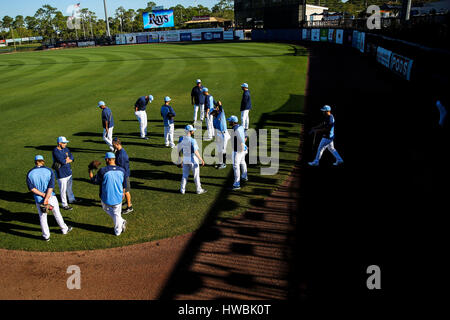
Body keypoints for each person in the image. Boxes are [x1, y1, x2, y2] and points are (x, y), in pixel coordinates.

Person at [26, 155, 73, 241]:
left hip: (39, 199)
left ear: (35, 162)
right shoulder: (49, 171)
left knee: (42, 217)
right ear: (43, 161)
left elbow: (32, 189)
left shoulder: (30, 173)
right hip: (51, 197)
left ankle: (46, 236)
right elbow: (50, 187)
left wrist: (43, 196)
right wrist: (47, 197)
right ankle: (64, 229)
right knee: (57, 213)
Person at [89, 152, 127, 236]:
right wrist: (123, 193)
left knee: (110, 211)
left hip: (106, 197)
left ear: (107, 159)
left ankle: (118, 231)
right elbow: (124, 184)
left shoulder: (103, 171)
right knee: (116, 213)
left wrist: (90, 170)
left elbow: (93, 181)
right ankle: (121, 221)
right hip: (118, 196)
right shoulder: (122, 170)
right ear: (114, 159)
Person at [52, 136, 81, 211]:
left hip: (68, 171)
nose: (65, 144)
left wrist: (68, 159)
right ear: (59, 143)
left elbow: (72, 157)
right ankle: (65, 204)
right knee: (63, 190)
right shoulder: (55, 151)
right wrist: (67, 159)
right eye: (64, 143)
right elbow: (62, 161)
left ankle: (72, 199)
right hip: (61, 174)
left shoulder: (66, 149)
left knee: (69, 188)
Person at [177, 125, 207, 195]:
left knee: (184, 175)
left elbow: (178, 149)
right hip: (193, 159)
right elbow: (196, 152)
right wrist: (201, 159)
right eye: (193, 130)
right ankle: (199, 190)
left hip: (185, 159)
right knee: (196, 176)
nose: (193, 131)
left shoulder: (181, 139)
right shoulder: (193, 140)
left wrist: (179, 159)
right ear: (190, 132)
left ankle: (182, 190)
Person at [112, 137, 133, 214]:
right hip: (122, 173)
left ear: (117, 144)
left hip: (124, 175)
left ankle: (129, 207)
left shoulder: (122, 156)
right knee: (124, 190)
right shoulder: (119, 151)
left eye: (113, 145)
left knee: (126, 191)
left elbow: (122, 169)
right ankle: (127, 202)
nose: (112, 146)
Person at [227, 116, 248, 190]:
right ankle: (245, 176)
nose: (229, 122)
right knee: (242, 162)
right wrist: (244, 145)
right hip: (243, 149)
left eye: (230, 121)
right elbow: (245, 137)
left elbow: (240, 139)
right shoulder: (241, 127)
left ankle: (237, 184)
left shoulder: (235, 129)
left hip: (238, 150)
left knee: (236, 166)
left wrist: (241, 146)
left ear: (233, 122)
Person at [211, 101, 230, 169]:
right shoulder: (214, 119)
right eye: (212, 113)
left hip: (224, 134)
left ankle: (224, 164)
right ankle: (220, 162)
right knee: (219, 149)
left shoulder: (221, 114)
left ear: (216, 111)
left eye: (213, 113)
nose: (212, 114)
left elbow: (221, 109)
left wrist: (220, 105)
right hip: (218, 135)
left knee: (223, 149)